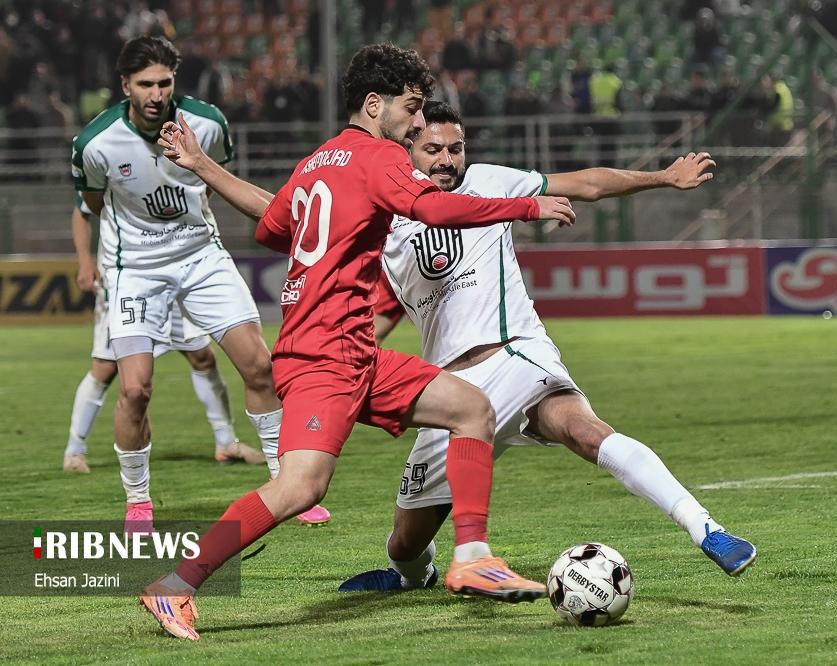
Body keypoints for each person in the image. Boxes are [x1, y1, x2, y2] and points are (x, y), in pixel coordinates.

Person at [138, 43, 577, 641]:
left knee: (472, 408)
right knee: (300, 486)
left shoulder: (317, 162)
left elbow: (274, 227)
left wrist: (203, 166)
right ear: (375, 105)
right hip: (324, 356)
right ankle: (176, 584)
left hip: (353, 350)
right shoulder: (378, 156)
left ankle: (473, 556)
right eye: (411, 108)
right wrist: (526, 206)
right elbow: (433, 208)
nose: (418, 122)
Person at [340, 101, 757, 596]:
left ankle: (706, 528)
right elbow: (378, 307)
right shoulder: (384, 219)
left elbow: (587, 184)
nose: (447, 159)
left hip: (516, 356)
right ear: (407, 149)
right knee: (405, 544)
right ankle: (415, 576)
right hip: (447, 393)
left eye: (456, 148)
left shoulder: (489, 182)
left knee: (585, 431)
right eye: (433, 149)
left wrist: (663, 177)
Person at [71, 36, 329, 529]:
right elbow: (94, 205)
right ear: (125, 85)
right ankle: (138, 503)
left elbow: (218, 182)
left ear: (175, 81)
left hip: (201, 258)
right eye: (145, 84)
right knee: (135, 389)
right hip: (135, 271)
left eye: (164, 83)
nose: (156, 94)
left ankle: (286, 485)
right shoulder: (95, 143)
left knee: (260, 366)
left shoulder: (208, 124)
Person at [64, 194, 263, 475]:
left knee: (202, 356)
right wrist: (85, 261)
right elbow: (82, 209)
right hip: (130, 277)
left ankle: (226, 442)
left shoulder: (181, 166)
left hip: (180, 273)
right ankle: (75, 450)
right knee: (106, 368)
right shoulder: (110, 165)